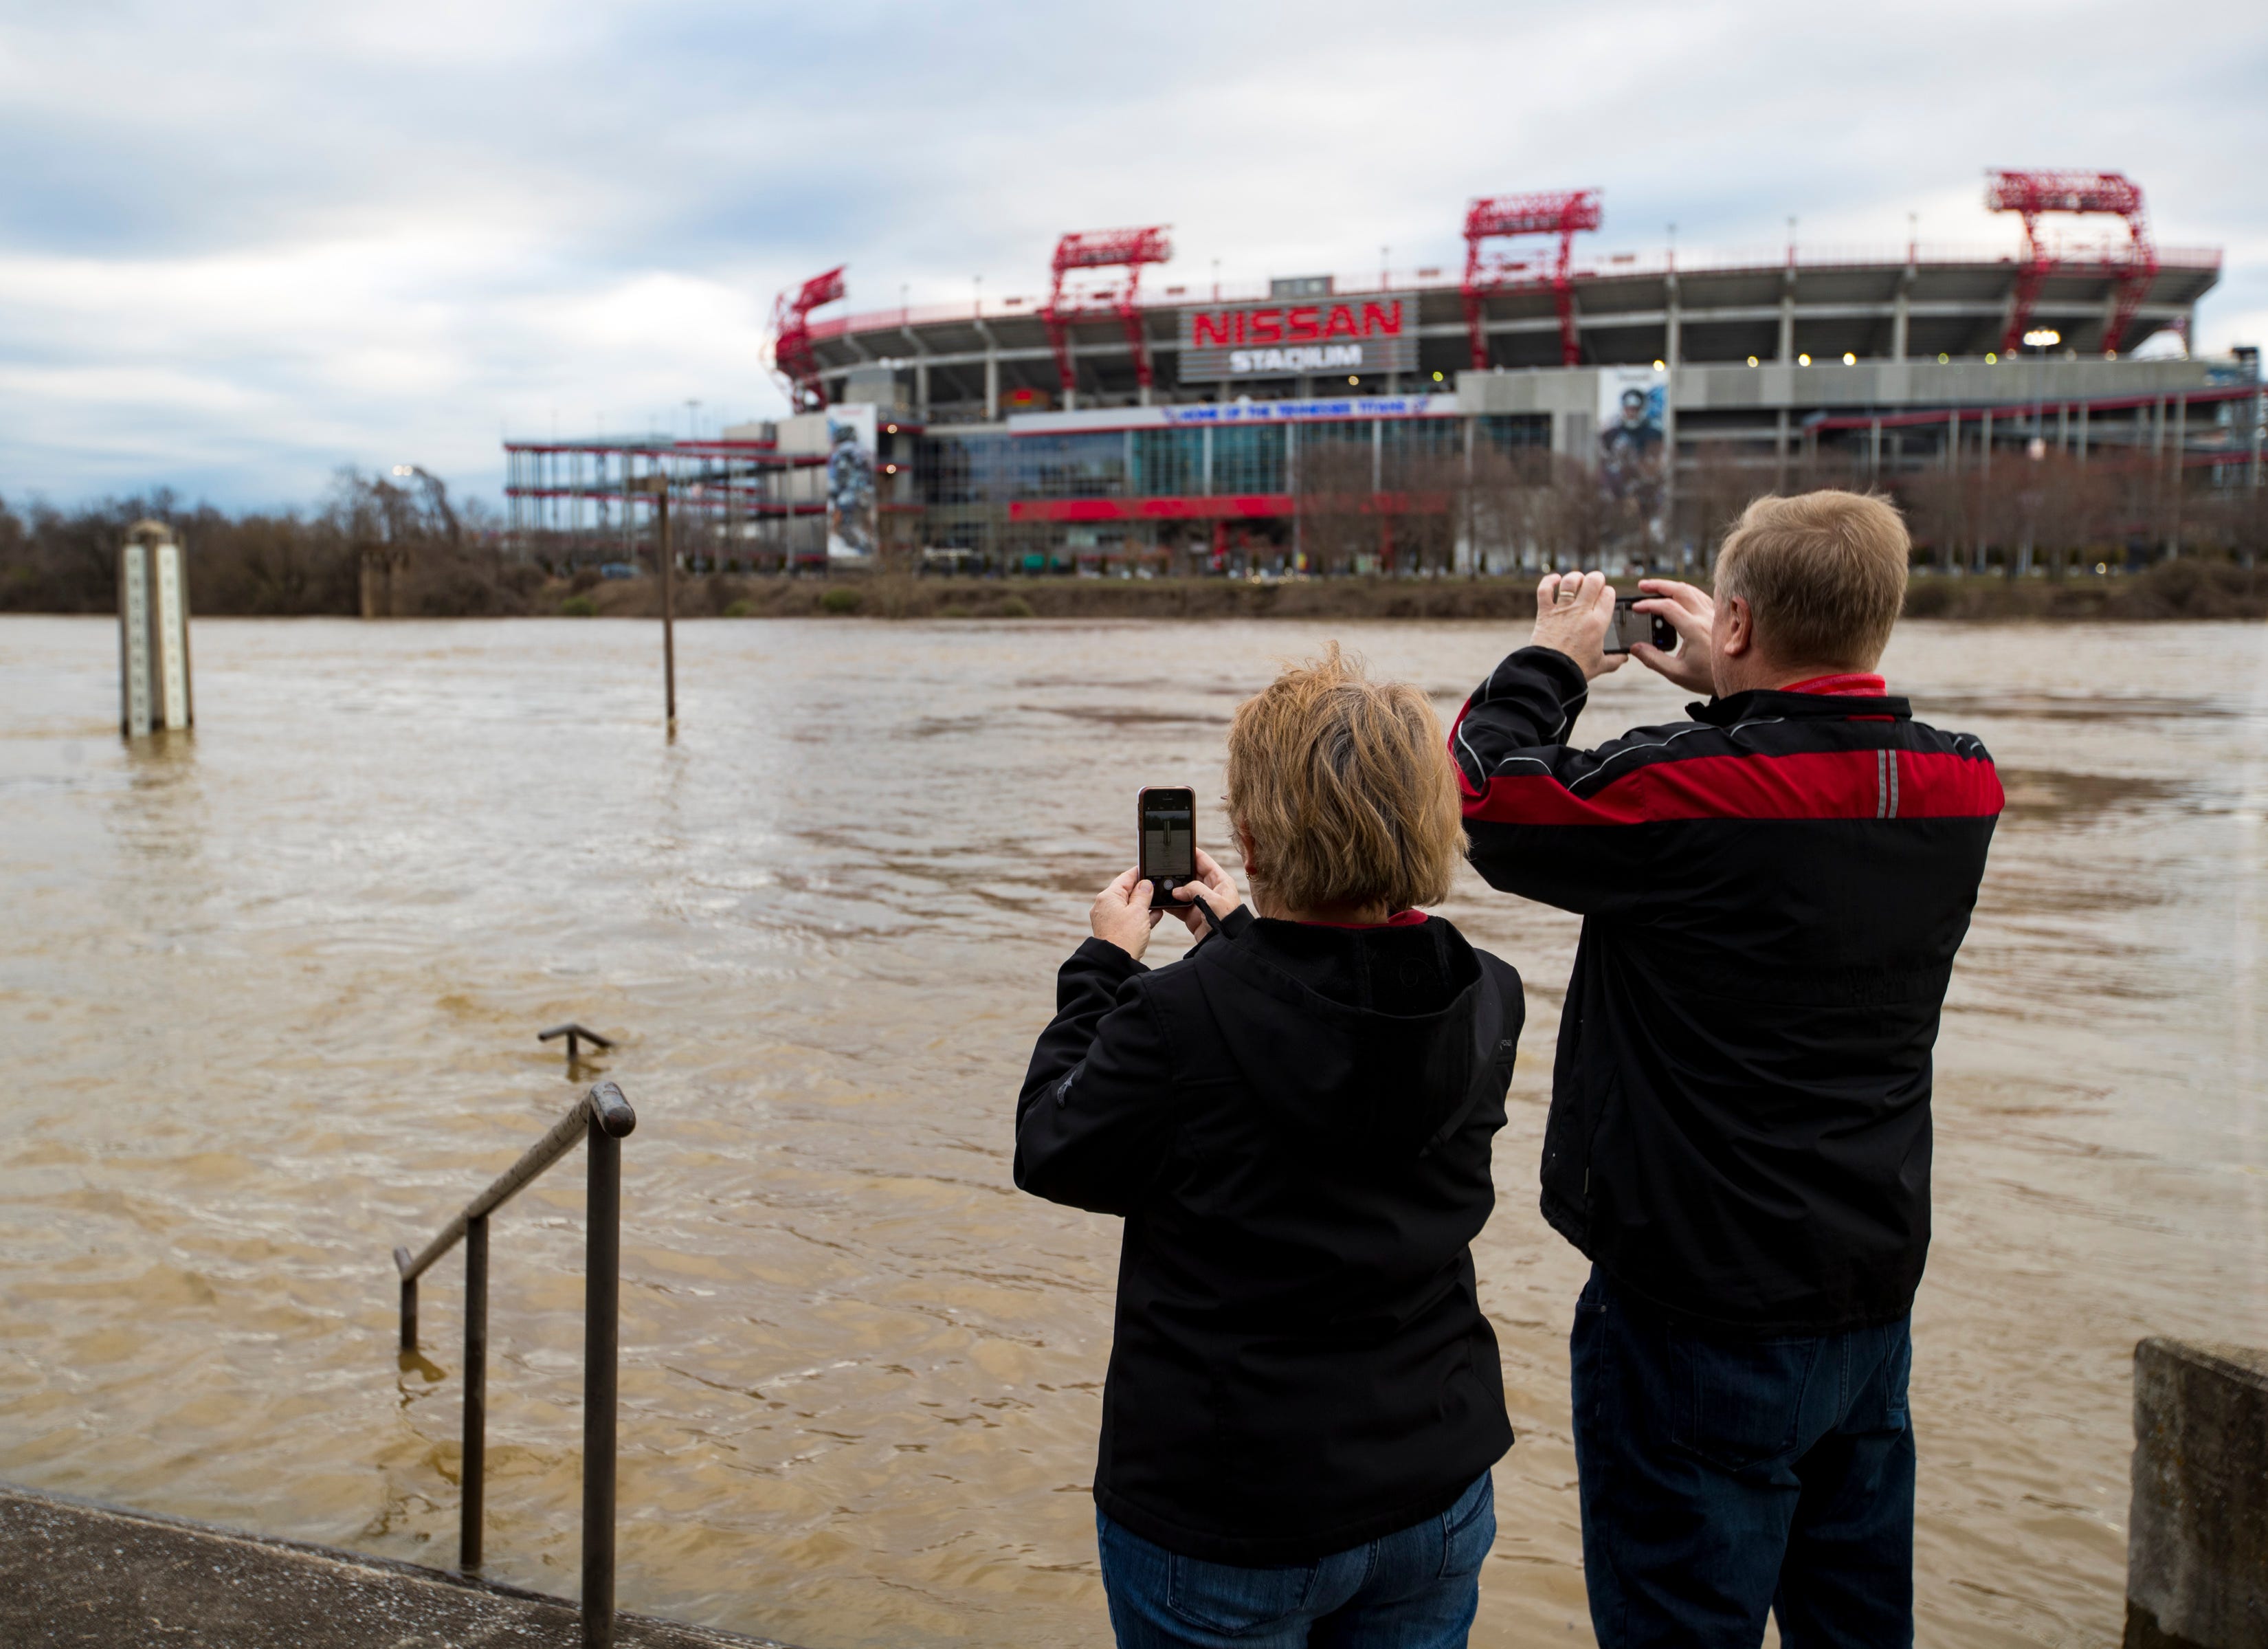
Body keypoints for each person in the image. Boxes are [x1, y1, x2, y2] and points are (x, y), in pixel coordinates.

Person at [1447, 491, 2003, 1647]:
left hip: (1696, 1309)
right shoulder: (1960, 785)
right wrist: (1738, 683)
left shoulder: (1693, 788)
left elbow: (1493, 798)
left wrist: (1547, 663)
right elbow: (1822, 777)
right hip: (1867, 1297)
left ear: (1737, 620)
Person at [1014, 645, 1524, 1649]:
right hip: (1431, 1481)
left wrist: (1102, 965)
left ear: (1249, 834)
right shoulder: (1486, 991)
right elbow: (1340, 1041)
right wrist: (1245, 946)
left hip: (1231, 1511)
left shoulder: (1173, 1021)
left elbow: (1053, 1143)